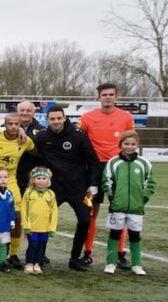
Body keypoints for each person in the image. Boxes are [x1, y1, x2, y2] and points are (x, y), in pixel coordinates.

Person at [33, 106, 100, 271]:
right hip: (54, 188)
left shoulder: (78, 136)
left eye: (59, 118)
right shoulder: (42, 136)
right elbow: (29, 154)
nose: (56, 121)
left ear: (64, 118)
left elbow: (93, 161)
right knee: (43, 220)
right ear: (47, 120)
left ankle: (75, 258)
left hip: (78, 188)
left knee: (85, 220)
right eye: (52, 119)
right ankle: (39, 256)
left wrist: (93, 184)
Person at [80, 83, 135, 268]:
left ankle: (119, 253)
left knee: (119, 211)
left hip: (118, 168)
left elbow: (131, 141)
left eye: (111, 94)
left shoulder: (126, 117)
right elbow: (81, 141)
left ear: (116, 97)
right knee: (91, 211)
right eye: (104, 94)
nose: (108, 97)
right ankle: (87, 252)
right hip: (93, 170)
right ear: (99, 97)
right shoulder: (87, 117)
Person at [0, 112, 34, 269]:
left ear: (20, 125)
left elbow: (35, 150)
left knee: (17, 216)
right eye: (10, 124)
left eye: (17, 124)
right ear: (4, 124)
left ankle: (13, 254)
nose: (13, 127)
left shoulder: (25, 140)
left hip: (11, 180)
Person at [103, 131, 155, 276]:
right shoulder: (113, 162)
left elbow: (150, 183)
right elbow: (106, 181)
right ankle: (111, 263)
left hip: (136, 208)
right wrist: (112, 197)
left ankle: (137, 264)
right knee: (115, 234)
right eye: (126, 143)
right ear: (121, 144)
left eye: (133, 144)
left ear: (137, 145)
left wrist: (143, 198)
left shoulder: (144, 163)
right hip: (117, 206)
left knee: (135, 235)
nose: (129, 147)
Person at [22, 167, 58, 275]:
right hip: (32, 227)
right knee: (33, 245)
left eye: (43, 178)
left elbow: (54, 212)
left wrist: (52, 228)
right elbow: (24, 210)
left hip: (45, 228)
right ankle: (29, 263)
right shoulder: (29, 193)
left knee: (41, 246)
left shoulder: (51, 194)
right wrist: (27, 226)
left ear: (48, 180)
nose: (41, 181)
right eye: (38, 178)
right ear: (33, 180)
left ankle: (37, 263)